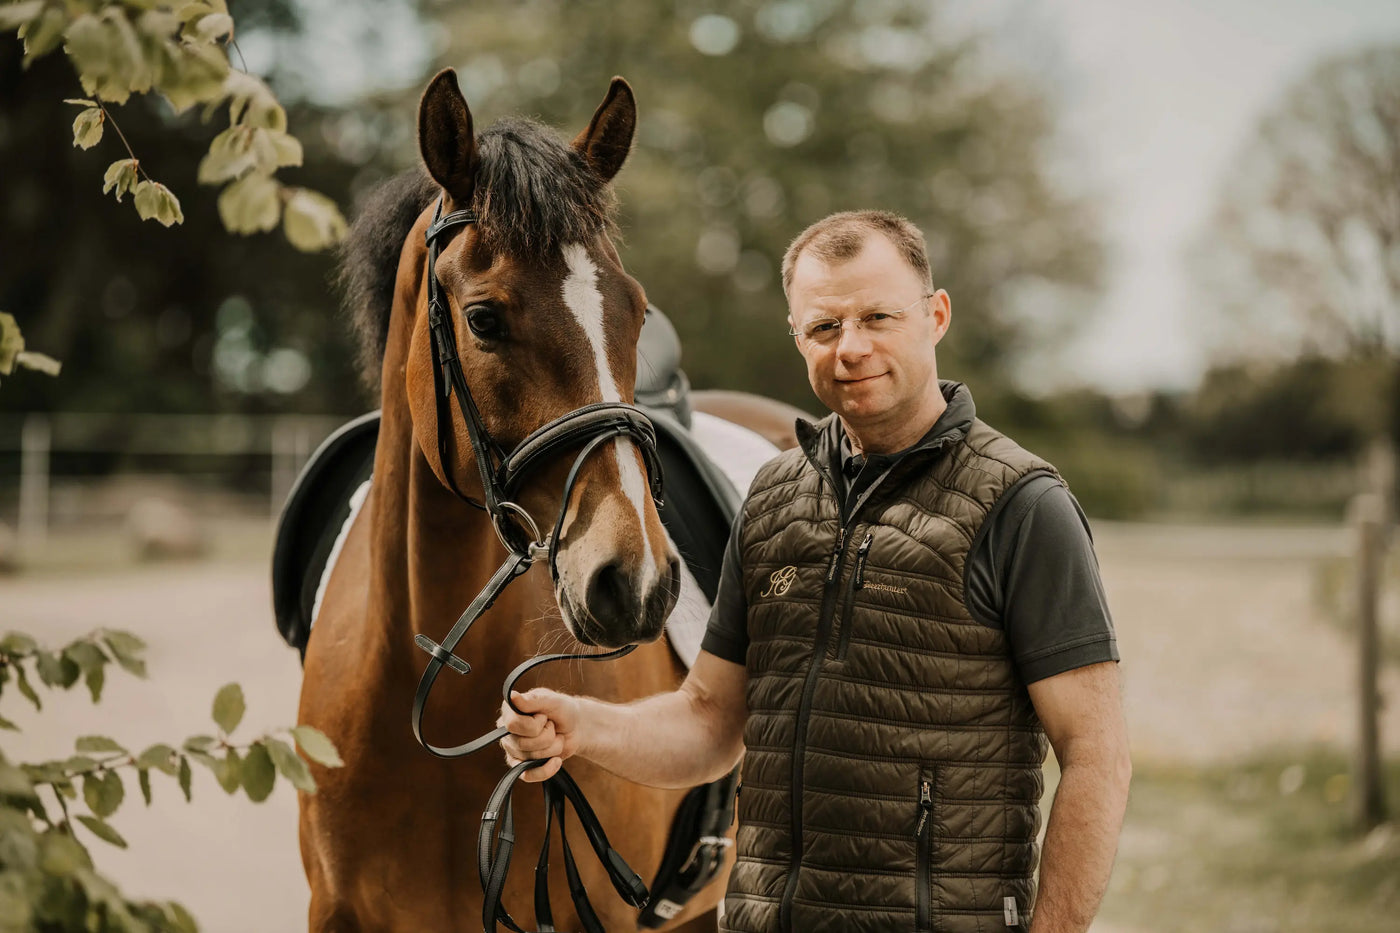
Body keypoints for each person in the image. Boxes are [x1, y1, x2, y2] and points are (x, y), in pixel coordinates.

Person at [499, 210, 1131, 933]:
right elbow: (710, 720)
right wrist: (582, 725)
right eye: (824, 327)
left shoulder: (1023, 507)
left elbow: (1095, 755)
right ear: (797, 336)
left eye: (878, 317)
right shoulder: (772, 498)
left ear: (936, 316)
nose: (852, 347)